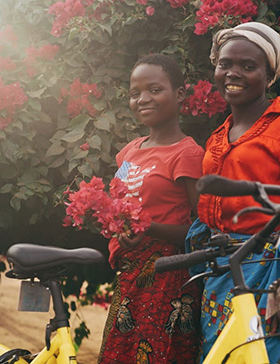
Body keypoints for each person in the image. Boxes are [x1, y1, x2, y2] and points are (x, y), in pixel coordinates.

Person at [186, 22, 280, 363]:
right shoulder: (219, 135)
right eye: (225, 64)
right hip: (222, 268)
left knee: (268, 354)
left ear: (268, 75)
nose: (233, 73)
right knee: (224, 354)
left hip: (268, 269)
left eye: (248, 67)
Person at [98, 54, 203, 364]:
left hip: (166, 280)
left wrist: (149, 228)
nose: (143, 99)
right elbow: (119, 208)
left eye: (154, 90)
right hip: (128, 277)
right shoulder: (129, 151)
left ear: (180, 94)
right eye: (135, 93)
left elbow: (201, 230)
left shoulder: (188, 154)